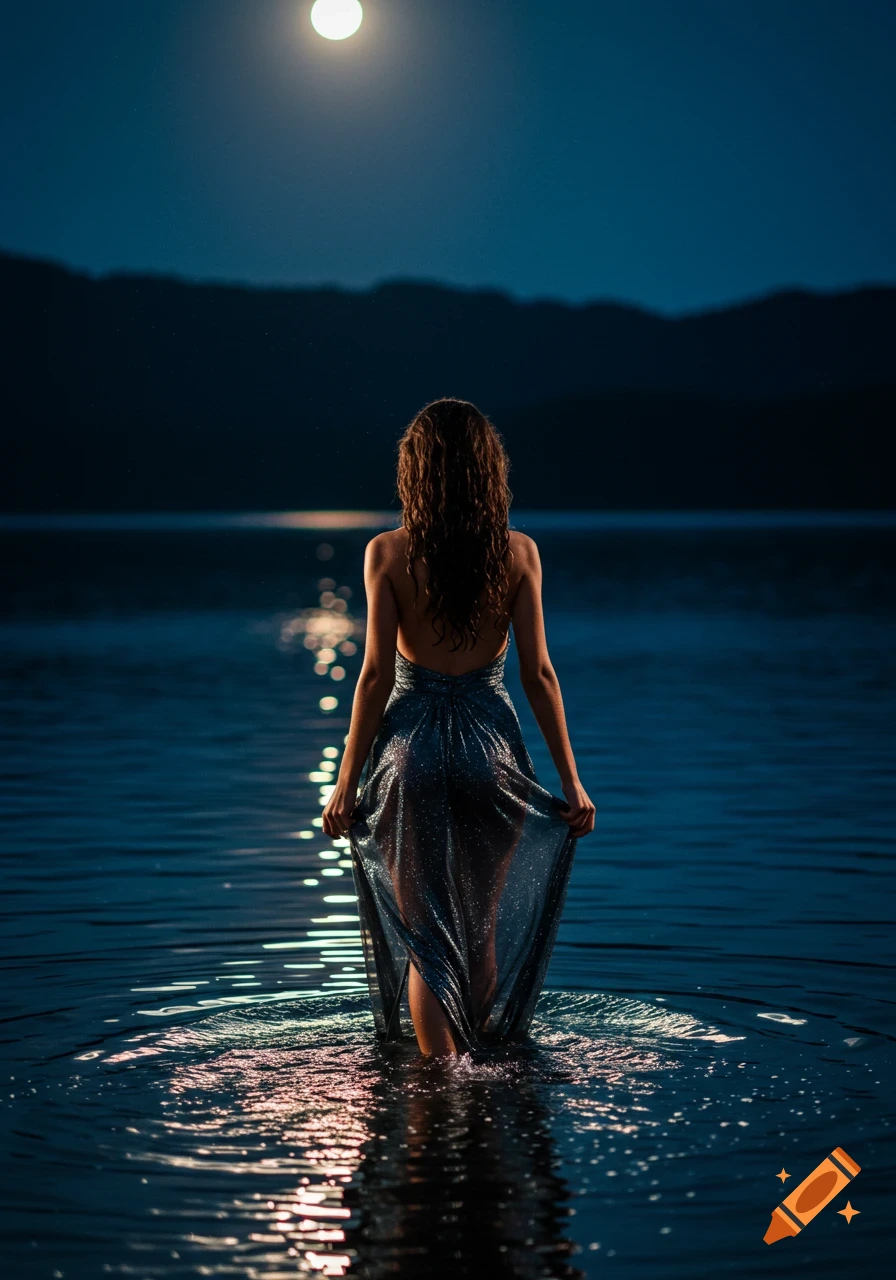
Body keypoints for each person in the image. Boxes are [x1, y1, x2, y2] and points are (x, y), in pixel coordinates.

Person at [322, 398, 595, 1058]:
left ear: (415, 473)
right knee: (479, 931)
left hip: (410, 753)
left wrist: (345, 780)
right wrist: (573, 783)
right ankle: (476, 1078)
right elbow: (540, 675)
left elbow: (375, 678)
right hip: (491, 754)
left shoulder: (386, 553)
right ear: (488, 472)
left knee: (427, 936)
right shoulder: (519, 552)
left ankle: (441, 1086)